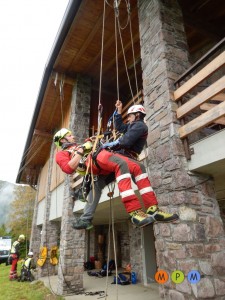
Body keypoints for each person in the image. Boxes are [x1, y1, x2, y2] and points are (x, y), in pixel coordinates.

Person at [54, 104, 179, 228]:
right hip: (95, 160)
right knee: (120, 164)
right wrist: (82, 149)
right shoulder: (62, 154)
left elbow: (118, 129)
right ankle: (134, 211)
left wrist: (92, 142)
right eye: (69, 136)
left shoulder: (80, 145)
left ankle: (153, 208)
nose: (73, 137)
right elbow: (68, 169)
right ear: (63, 140)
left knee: (139, 167)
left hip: (103, 164)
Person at [72, 100, 150, 230]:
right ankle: (86, 218)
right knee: (96, 185)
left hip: (124, 158)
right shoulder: (132, 126)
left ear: (137, 115)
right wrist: (119, 111)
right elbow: (120, 127)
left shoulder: (140, 126)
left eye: (130, 116)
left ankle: (141, 210)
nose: (128, 119)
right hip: (119, 159)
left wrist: (109, 145)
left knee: (137, 178)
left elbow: (125, 141)